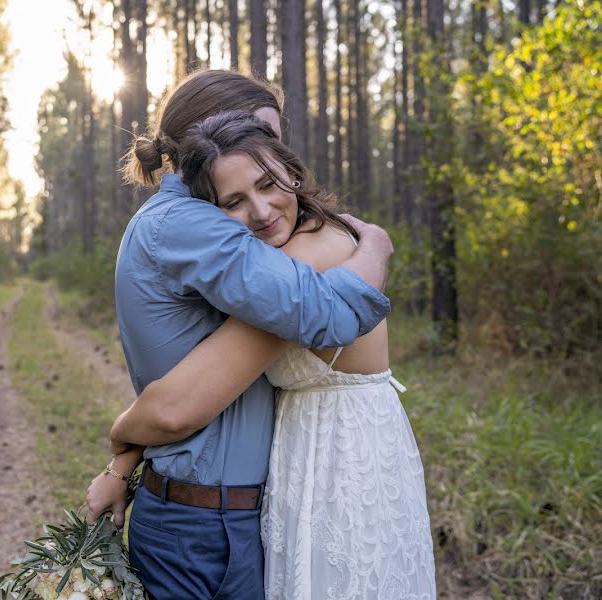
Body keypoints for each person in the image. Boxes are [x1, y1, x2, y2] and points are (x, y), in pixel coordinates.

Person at [92, 111, 436, 599]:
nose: (261, 211)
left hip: (339, 471)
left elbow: (178, 405)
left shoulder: (303, 260)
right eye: (234, 202)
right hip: (307, 462)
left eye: (269, 184)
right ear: (211, 211)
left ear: (292, 172)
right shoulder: (279, 258)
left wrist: (120, 437)